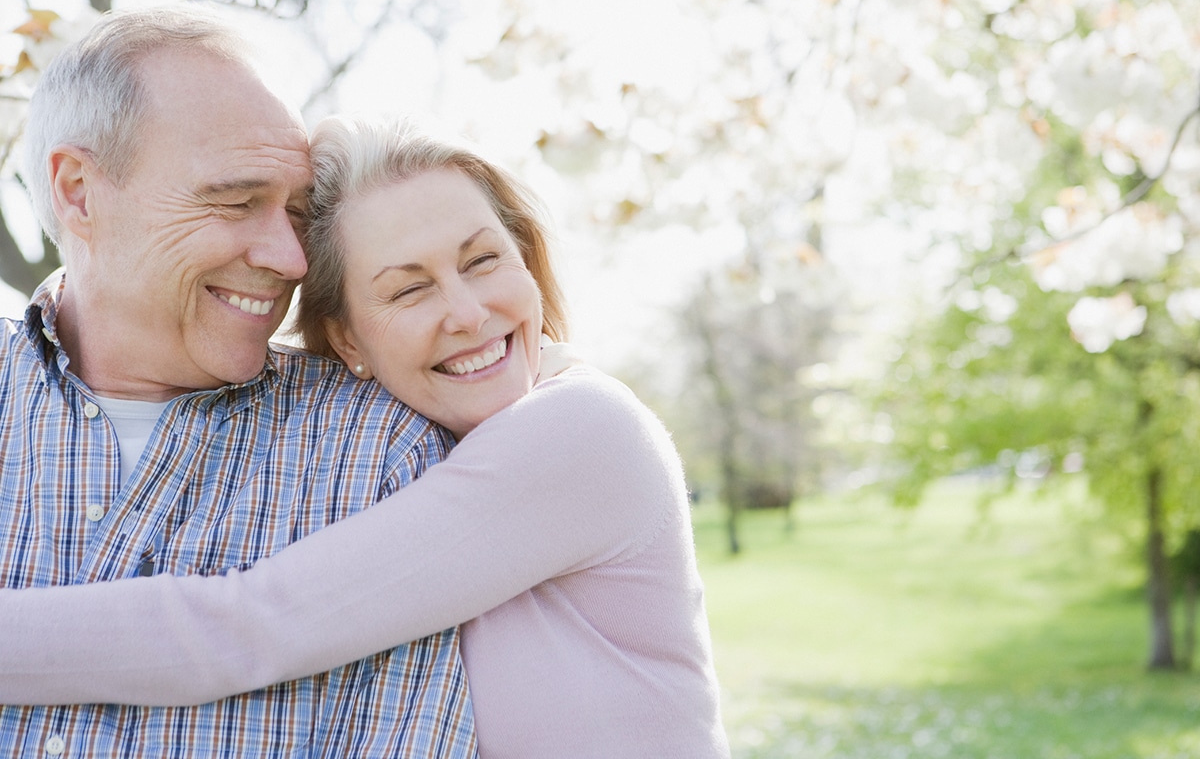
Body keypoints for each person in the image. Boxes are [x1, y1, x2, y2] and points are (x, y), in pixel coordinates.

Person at [0, 116, 732, 759]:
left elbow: (252, 625)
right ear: (348, 339)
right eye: (409, 289)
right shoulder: (424, 443)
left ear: (529, 262)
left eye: (482, 261)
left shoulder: (581, 432)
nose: (469, 314)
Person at [0, 8, 477, 757]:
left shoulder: (381, 456)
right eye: (234, 201)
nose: (291, 259)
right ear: (79, 192)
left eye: (294, 213)